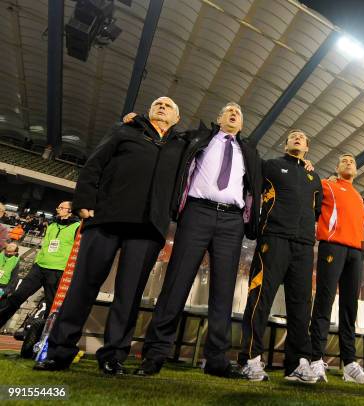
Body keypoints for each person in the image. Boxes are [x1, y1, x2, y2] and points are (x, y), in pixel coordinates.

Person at [34, 97, 187, 374]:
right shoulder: (125, 130)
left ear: (177, 118)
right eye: (157, 103)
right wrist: (84, 202)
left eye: (168, 105)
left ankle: (113, 356)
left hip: (148, 227)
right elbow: (94, 164)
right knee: (82, 287)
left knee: (129, 296)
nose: (162, 106)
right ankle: (59, 352)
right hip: (106, 217)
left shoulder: (181, 145)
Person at [133, 102, 263, 377]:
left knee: (224, 290)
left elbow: (264, 178)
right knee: (177, 281)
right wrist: (138, 122)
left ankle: (216, 360)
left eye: (238, 112)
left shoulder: (248, 150)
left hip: (232, 220)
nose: (233, 113)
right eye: (228, 109)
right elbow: (164, 136)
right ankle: (155, 354)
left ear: (242, 124)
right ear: (218, 117)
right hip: (197, 211)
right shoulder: (197, 138)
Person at [237, 129, 322, 383]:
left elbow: (315, 211)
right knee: (260, 298)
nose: (297, 138)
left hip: (304, 245)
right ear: (285, 145)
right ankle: (249, 360)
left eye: (302, 137)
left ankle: (297, 364)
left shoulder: (313, 177)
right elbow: (249, 180)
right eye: (293, 136)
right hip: (273, 238)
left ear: (307, 147)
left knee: (301, 306)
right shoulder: (271, 166)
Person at [309, 153, 364, 384]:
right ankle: (315, 358)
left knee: (349, 309)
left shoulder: (359, 198)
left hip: (355, 253)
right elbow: (308, 188)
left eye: (352, 162)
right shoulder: (327, 185)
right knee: (324, 301)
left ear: (356, 171)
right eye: (344, 161)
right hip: (332, 248)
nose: (348, 163)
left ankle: (349, 363)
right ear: (336, 168)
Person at [0, 202, 79, 328]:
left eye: (61, 207)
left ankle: (43, 338)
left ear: (70, 210)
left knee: (51, 306)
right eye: (58, 207)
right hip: (39, 268)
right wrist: (37, 262)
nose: (57, 209)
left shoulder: (78, 227)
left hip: (58, 271)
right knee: (16, 297)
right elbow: (45, 245)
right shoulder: (52, 225)